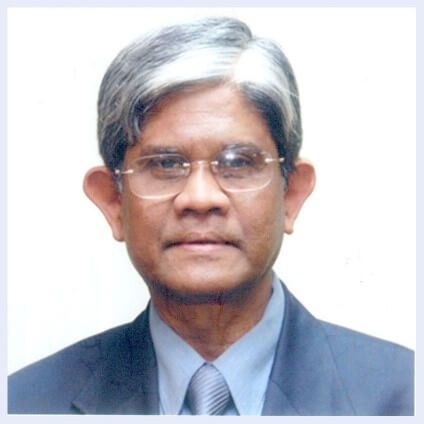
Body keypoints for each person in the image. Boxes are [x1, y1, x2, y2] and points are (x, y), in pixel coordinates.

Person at [8, 16, 413, 416]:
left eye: (237, 163)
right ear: (114, 202)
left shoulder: (405, 397)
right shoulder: (25, 405)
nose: (200, 199)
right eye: (165, 164)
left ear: (290, 193)